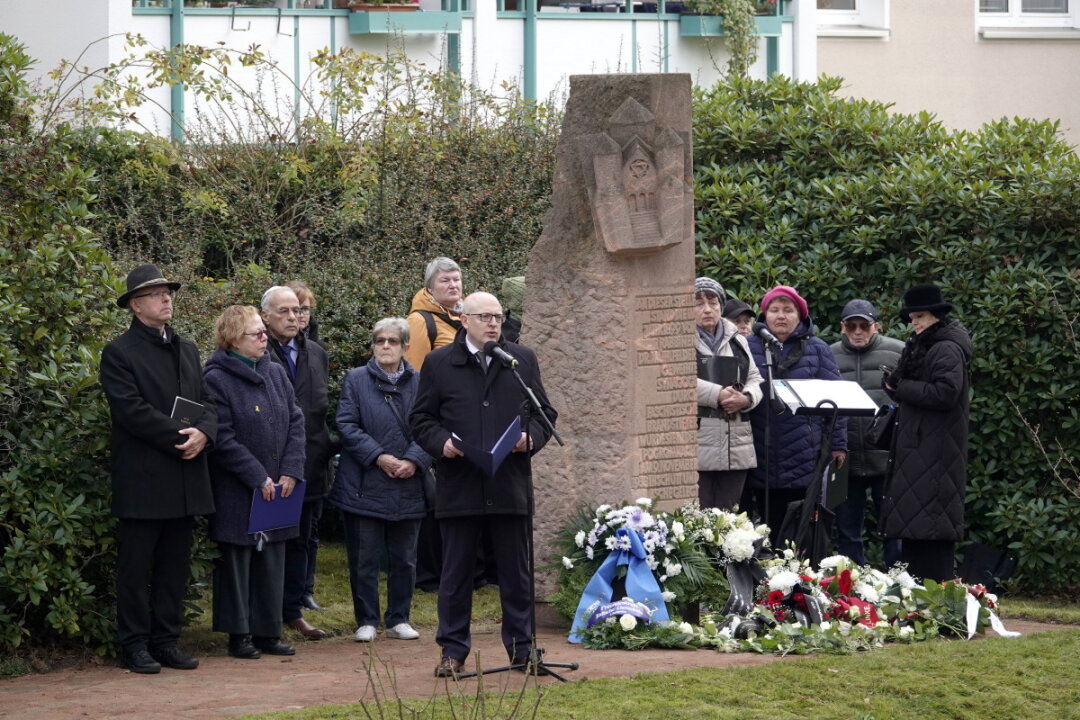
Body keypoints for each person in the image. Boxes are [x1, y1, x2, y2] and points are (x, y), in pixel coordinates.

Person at [410, 292, 557, 678]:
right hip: (460, 485)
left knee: (515, 574)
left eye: (498, 316)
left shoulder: (520, 360)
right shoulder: (439, 363)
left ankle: (522, 649)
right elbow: (421, 419)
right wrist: (441, 443)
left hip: (509, 484)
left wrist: (531, 438)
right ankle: (453, 651)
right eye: (484, 316)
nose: (494, 323)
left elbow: (545, 414)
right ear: (463, 320)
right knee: (456, 576)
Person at [100, 264, 217, 674]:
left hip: (184, 476)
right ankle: (134, 645)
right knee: (135, 569)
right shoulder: (119, 352)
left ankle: (166, 641)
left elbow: (207, 402)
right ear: (135, 305)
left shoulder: (186, 348)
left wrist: (204, 433)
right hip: (144, 478)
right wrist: (181, 436)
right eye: (155, 294)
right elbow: (130, 412)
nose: (166, 298)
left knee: (173, 566)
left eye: (168, 292)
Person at [203, 305, 306, 660]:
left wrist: (291, 469)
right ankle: (239, 634)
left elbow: (296, 421)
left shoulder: (276, 372)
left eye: (264, 331)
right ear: (233, 339)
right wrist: (257, 475)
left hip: (279, 486)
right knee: (238, 562)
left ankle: (268, 631)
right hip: (239, 489)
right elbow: (223, 438)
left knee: (272, 561)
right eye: (256, 333)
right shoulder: (215, 378)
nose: (265, 337)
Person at [330, 318, 432, 643]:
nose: (385, 346)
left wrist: (413, 460)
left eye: (392, 341)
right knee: (364, 557)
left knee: (405, 558)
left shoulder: (422, 382)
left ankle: (399, 618)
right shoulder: (355, 380)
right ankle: (367, 619)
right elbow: (346, 424)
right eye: (379, 340)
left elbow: (432, 424)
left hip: (409, 481)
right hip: (364, 482)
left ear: (405, 346)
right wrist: (378, 456)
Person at [881, 284, 972, 583]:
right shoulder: (928, 343)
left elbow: (946, 392)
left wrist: (902, 388)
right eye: (911, 316)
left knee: (928, 525)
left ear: (936, 315)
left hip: (933, 448)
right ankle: (920, 597)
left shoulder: (944, 347)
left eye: (919, 316)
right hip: (923, 445)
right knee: (919, 525)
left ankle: (931, 598)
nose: (914, 322)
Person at [746, 285, 847, 543]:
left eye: (788, 310)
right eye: (774, 310)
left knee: (796, 531)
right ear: (764, 315)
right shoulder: (747, 346)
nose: (781, 316)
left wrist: (838, 445)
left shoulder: (817, 349)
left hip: (801, 454)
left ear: (800, 316)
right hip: (756, 451)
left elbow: (836, 402)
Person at [261, 286, 334, 640]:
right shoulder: (259, 353)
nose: (293, 318)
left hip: (312, 463)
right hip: (270, 465)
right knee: (270, 540)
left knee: (303, 539)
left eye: (297, 311)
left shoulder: (317, 353)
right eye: (284, 311)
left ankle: (293, 610)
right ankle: (265, 612)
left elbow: (318, 409)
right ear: (265, 316)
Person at [829, 299, 904, 567]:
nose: (858, 331)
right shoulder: (829, 354)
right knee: (848, 530)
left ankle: (899, 585)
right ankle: (854, 591)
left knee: (894, 530)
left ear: (876, 326)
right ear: (842, 327)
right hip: (845, 457)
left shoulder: (898, 352)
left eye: (864, 325)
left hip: (888, 458)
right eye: (852, 326)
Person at [694, 278, 763, 510]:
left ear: (721, 307)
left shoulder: (738, 340)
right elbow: (674, 381)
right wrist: (717, 394)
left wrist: (747, 398)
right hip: (699, 442)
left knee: (729, 519)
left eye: (713, 302)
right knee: (697, 521)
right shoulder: (679, 341)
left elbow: (755, 378)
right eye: (699, 303)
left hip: (736, 444)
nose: (707, 309)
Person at [284, 280, 326, 611]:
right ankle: (288, 599)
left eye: (305, 309)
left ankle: (304, 590)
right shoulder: (270, 351)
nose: (300, 316)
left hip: (315, 455)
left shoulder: (316, 352)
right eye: (293, 309)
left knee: (311, 530)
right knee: (290, 530)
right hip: (285, 455)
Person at [404, 257, 464, 372]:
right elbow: (414, 372)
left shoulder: (471, 316)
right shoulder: (418, 321)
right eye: (445, 280)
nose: (453, 285)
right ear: (430, 288)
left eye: (456, 279)